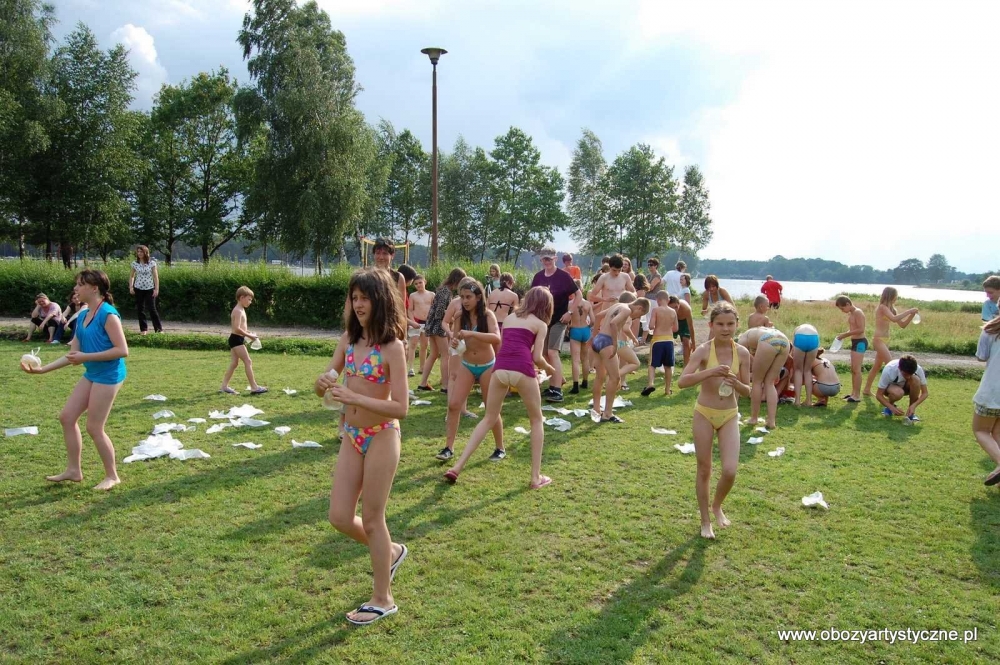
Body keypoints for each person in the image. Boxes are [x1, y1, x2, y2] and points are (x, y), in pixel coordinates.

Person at [317, 268, 409, 626]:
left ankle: (383, 598)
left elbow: (401, 407)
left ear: (380, 300)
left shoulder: (393, 348)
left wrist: (354, 397)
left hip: (383, 434)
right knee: (339, 517)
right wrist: (321, 383)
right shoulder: (347, 341)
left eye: (365, 298)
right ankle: (392, 551)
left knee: (372, 519)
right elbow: (327, 381)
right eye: (354, 297)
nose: (358, 304)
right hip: (352, 436)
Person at [20, 269, 128, 491]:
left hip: (109, 375)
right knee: (67, 417)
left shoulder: (108, 315)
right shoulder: (84, 314)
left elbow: (122, 350)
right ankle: (73, 470)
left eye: (80, 284)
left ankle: (112, 476)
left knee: (94, 427)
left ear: (94, 288)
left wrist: (85, 357)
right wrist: (42, 370)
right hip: (92, 373)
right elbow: (73, 355)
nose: (75, 288)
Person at [444, 287, 556, 489]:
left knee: (488, 417)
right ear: (546, 306)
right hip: (522, 369)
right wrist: (549, 369)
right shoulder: (540, 324)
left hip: (500, 368)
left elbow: (507, 345)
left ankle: (457, 467)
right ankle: (535, 477)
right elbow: (537, 357)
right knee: (536, 420)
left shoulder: (511, 318)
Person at [677, 302, 751, 540]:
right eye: (720, 324)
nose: (725, 328)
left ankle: (717, 505)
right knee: (704, 469)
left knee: (730, 470)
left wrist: (736, 383)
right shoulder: (702, 351)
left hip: (729, 415)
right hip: (704, 413)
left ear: (737, 325)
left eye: (730, 324)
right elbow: (682, 381)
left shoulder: (742, 353)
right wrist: (710, 372)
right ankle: (705, 520)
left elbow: (748, 391)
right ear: (711, 325)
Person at [437, 280, 503, 463]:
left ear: (478, 297)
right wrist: (455, 342)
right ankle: (448, 448)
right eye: (462, 297)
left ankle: (500, 447)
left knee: (491, 409)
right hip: (467, 364)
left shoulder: (487, 315)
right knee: (454, 405)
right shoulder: (460, 316)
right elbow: (456, 340)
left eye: (468, 297)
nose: (465, 301)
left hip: (487, 365)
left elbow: (496, 338)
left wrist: (472, 334)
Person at [531, 247, 583, 403]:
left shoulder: (563, 276)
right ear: (541, 260)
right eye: (544, 259)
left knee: (553, 352)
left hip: (559, 319)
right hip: (542, 320)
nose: (546, 261)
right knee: (544, 354)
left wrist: (570, 312)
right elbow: (532, 297)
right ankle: (553, 384)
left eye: (549, 259)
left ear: (555, 259)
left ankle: (558, 390)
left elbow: (579, 295)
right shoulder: (538, 277)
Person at [590, 295, 650, 423]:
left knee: (600, 377)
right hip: (607, 342)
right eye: (639, 315)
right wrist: (615, 343)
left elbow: (599, 315)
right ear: (639, 308)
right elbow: (613, 323)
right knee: (615, 378)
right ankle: (607, 413)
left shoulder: (618, 305)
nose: (636, 317)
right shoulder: (627, 310)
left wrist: (594, 335)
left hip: (599, 339)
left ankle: (596, 408)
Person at [863, 287, 919, 397]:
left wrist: (911, 315)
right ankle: (890, 390)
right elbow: (893, 319)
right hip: (878, 339)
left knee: (877, 366)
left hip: (886, 340)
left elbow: (902, 325)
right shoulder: (882, 307)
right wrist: (909, 311)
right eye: (895, 296)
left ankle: (866, 389)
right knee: (891, 364)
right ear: (891, 296)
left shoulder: (892, 309)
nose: (896, 298)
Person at [417, 268, 466, 391]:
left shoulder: (443, 290)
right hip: (438, 326)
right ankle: (445, 386)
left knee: (433, 354)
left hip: (431, 325)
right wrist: (453, 316)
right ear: (457, 280)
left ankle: (422, 383)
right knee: (445, 355)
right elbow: (439, 313)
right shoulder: (446, 292)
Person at [738, 326, 790, 429]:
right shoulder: (756, 332)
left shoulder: (741, 340)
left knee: (757, 382)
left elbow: (742, 362)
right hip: (784, 340)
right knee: (770, 383)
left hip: (768, 340)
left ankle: (754, 418)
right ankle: (771, 421)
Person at [220, 286, 266, 395]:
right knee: (248, 361)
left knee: (234, 363)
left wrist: (249, 333)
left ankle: (224, 387)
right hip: (236, 339)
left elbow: (241, 327)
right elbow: (236, 328)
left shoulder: (241, 309)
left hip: (236, 339)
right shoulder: (238, 311)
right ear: (241, 297)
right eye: (249, 299)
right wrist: (249, 336)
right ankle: (254, 387)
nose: (250, 302)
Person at [973, 314, 1000, 485]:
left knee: (980, 430)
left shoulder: (989, 330)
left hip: (992, 391)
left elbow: (981, 356)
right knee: (997, 433)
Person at [642, 291, 679, 396]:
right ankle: (667, 389)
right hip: (669, 340)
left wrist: (656, 326)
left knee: (652, 364)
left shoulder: (656, 310)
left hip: (658, 340)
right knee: (668, 366)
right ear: (668, 300)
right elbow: (676, 328)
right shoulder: (673, 311)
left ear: (658, 300)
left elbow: (651, 326)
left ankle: (650, 384)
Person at [834, 295, 868, 403]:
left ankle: (857, 395)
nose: (842, 311)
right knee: (853, 369)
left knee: (857, 370)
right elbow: (854, 328)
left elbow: (861, 329)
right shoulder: (852, 313)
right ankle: (853, 393)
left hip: (860, 342)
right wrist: (844, 335)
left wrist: (845, 335)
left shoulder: (858, 312)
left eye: (842, 308)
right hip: (855, 342)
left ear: (848, 304)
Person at [876, 355, 928, 422]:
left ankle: (910, 413)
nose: (908, 377)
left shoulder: (918, 369)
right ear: (899, 368)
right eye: (906, 374)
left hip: (905, 387)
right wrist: (892, 408)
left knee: (916, 380)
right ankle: (889, 407)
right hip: (890, 389)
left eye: (911, 374)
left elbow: (925, 393)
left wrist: (914, 405)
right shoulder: (889, 369)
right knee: (898, 392)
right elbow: (879, 395)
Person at [129, 245, 162, 335]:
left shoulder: (152, 263)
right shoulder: (135, 263)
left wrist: (156, 289)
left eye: (141, 252)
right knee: (140, 309)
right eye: (138, 252)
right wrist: (131, 287)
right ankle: (143, 329)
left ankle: (158, 329)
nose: (139, 253)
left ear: (145, 253)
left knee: (152, 309)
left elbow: (155, 276)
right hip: (138, 288)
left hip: (149, 288)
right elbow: (132, 276)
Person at [567, 284, 594, 395]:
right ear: (582, 289)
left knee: (575, 359)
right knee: (585, 358)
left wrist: (569, 327)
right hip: (585, 330)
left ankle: (575, 385)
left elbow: (567, 319)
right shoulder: (587, 304)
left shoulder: (570, 304)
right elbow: (593, 320)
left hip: (575, 330)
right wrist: (588, 326)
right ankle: (585, 382)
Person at [407, 274, 434, 377]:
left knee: (424, 345)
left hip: (427, 322)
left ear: (425, 282)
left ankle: (422, 367)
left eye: (420, 283)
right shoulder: (413, 295)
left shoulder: (431, 294)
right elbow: (410, 310)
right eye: (416, 284)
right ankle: (411, 368)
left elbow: (434, 309)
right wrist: (413, 322)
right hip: (416, 321)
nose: (418, 285)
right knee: (413, 345)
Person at [791, 323, 821, 407]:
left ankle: (797, 401)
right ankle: (809, 401)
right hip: (814, 338)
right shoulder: (813, 328)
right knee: (807, 370)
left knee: (798, 370)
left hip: (800, 337)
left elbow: (793, 346)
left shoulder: (798, 329)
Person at [372, 238, 408, 305]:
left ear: (392, 255)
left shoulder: (398, 277)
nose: (381, 257)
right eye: (378, 253)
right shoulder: (365, 276)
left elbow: (401, 306)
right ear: (374, 254)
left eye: (385, 253)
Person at [669, 295, 696, 367]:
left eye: (676, 307)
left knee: (686, 342)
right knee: (667, 342)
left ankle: (686, 366)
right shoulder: (666, 310)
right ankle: (667, 364)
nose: (674, 310)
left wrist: (693, 343)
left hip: (684, 322)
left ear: (679, 305)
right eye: (672, 308)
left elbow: (690, 327)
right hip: (672, 321)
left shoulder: (686, 309)